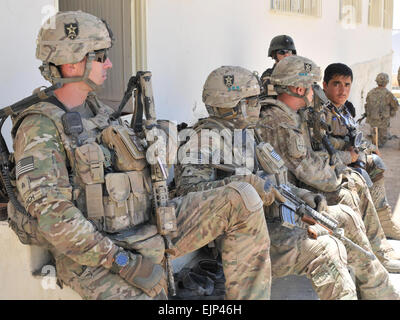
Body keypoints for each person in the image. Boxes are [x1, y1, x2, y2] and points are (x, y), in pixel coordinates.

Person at [7, 11, 273, 300]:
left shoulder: (98, 111)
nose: (108, 63)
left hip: (143, 228)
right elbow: (54, 217)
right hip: (96, 256)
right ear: (73, 62)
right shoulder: (40, 126)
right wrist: (123, 262)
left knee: (242, 197)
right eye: (100, 56)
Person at [175, 65, 400, 299]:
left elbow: (272, 179)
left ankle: (381, 294)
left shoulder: (246, 134)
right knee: (326, 250)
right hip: (241, 240)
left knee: (346, 216)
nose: (258, 105)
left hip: (272, 219)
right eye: (251, 101)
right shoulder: (201, 142)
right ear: (231, 105)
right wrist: (243, 185)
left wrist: (302, 197)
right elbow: (189, 196)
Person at [257, 55, 400, 274]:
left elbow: (313, 156)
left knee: (357, 180)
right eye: (311, 85)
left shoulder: (296, 115)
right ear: (298, 88)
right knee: (350, 190)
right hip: (290, 194)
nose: (314, 91)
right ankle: (366, 261)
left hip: (298, 184)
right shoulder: (281, 121)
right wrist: (340, 173)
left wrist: (341, 167)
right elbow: (308, 167)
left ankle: (377, 248)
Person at [322, 64, 400, 240]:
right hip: (331, 168)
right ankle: (372, 238)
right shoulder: (320, 113)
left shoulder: (344, 110)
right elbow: (319, 151)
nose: (343, 90)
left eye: (347, 84)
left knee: (376, 163)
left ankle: (384, 221)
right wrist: (349, 156)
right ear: (325, 85)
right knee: (360, 176)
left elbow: (354, 137)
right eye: (336, 84)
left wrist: (370, 148)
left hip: (349, 159)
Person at [364, 73, 399, 147]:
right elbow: (395, 105)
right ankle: (380, 140)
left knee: (375, 133)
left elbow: (367, 104)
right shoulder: (388, 94)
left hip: (372, 119)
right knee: (382, 140)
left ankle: (376, 138)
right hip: (383, 120)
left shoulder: (370, 92)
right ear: (387, 82)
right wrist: (392, 112)